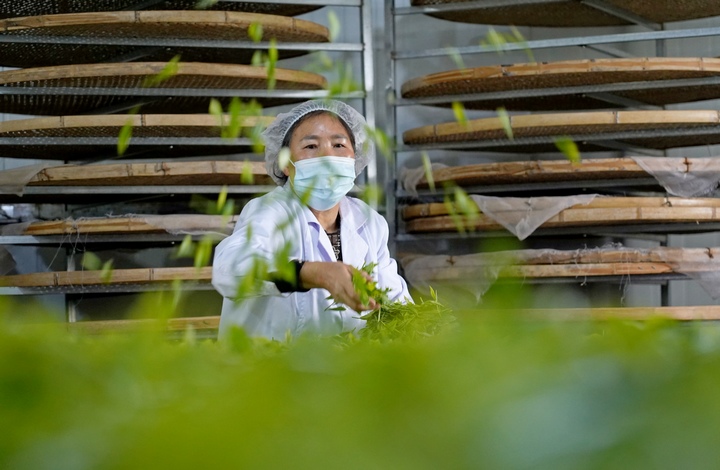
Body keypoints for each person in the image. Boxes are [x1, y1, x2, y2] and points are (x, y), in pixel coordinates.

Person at [212, 100, 411, 339]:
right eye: (311, 146)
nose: (327, 156)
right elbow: (232, 268)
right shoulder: (269, 212)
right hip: (269, 370)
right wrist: (313, 273)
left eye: (338, 144)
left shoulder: (369, 221)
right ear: (286, 164)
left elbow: (395, 302)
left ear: (354, 157)